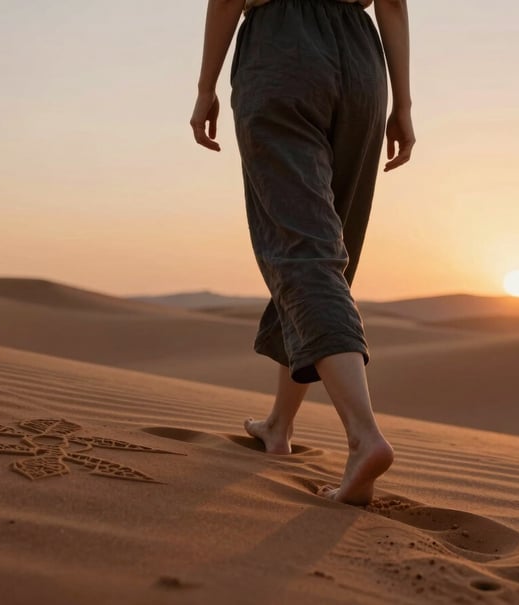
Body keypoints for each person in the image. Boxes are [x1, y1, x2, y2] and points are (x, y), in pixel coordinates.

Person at [190, 0, 414, 505]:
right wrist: (402, 104)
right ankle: (278, 425)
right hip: (362, 62)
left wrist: (206, 88)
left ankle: (363, 437)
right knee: (325, 250)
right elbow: (394, 6)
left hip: (282, 49)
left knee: (301, 252)